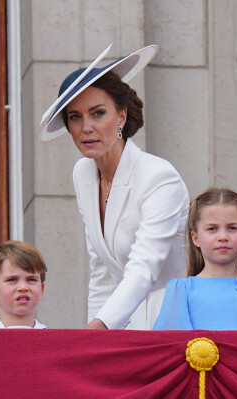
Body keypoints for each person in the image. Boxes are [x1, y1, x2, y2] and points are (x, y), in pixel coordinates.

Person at [39, 44, 190, 330]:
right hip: (121, 324)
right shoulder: (82, 173)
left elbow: (144, 267)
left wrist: (100, 327)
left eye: (98, 113)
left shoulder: (158, 176)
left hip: (169, 320)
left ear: (121, 116)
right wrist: (92, 343)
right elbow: (101, 270)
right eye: (75, 117)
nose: (86, 127)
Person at [153, 188, 237, 331]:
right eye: (212, 229)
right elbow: (170, 344)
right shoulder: (181, 290)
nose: (223, 236)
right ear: (195, 238)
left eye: (232, 228)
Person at [0, 240, 48, 329]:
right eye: (12, 280)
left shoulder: (54, 339)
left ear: (41, 290)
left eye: (31, 279)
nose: (23, 287)